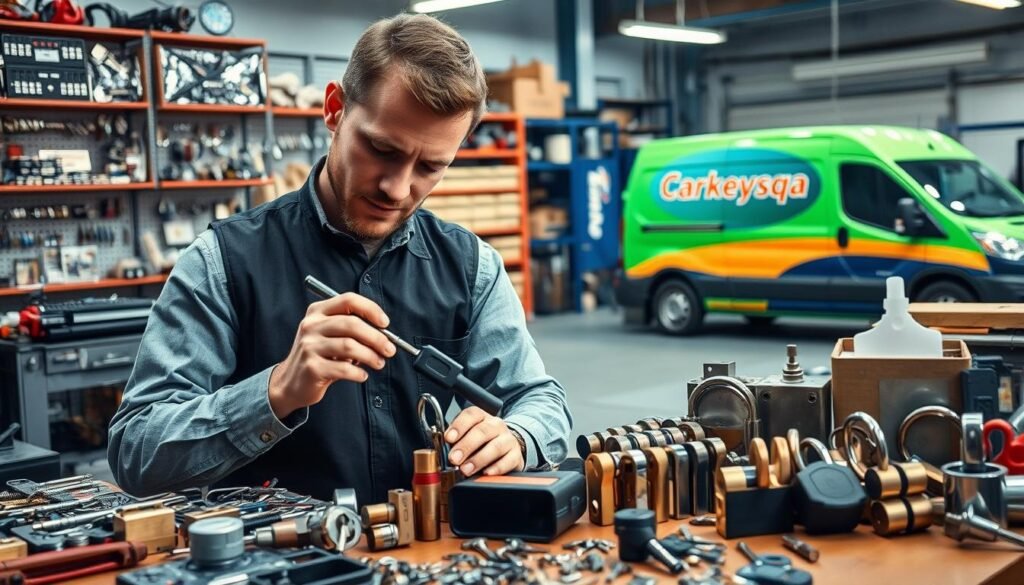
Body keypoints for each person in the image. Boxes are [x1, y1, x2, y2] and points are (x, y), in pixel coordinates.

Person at [107, 13, 572, 505]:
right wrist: (277, 392)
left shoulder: (471, 265)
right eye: (380, 149)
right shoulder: (222, 261)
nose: (397, 188)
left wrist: (518, 437)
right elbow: (136, 452)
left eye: (431, 166)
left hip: (425, 554)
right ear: (335, 109)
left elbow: (542, 401)